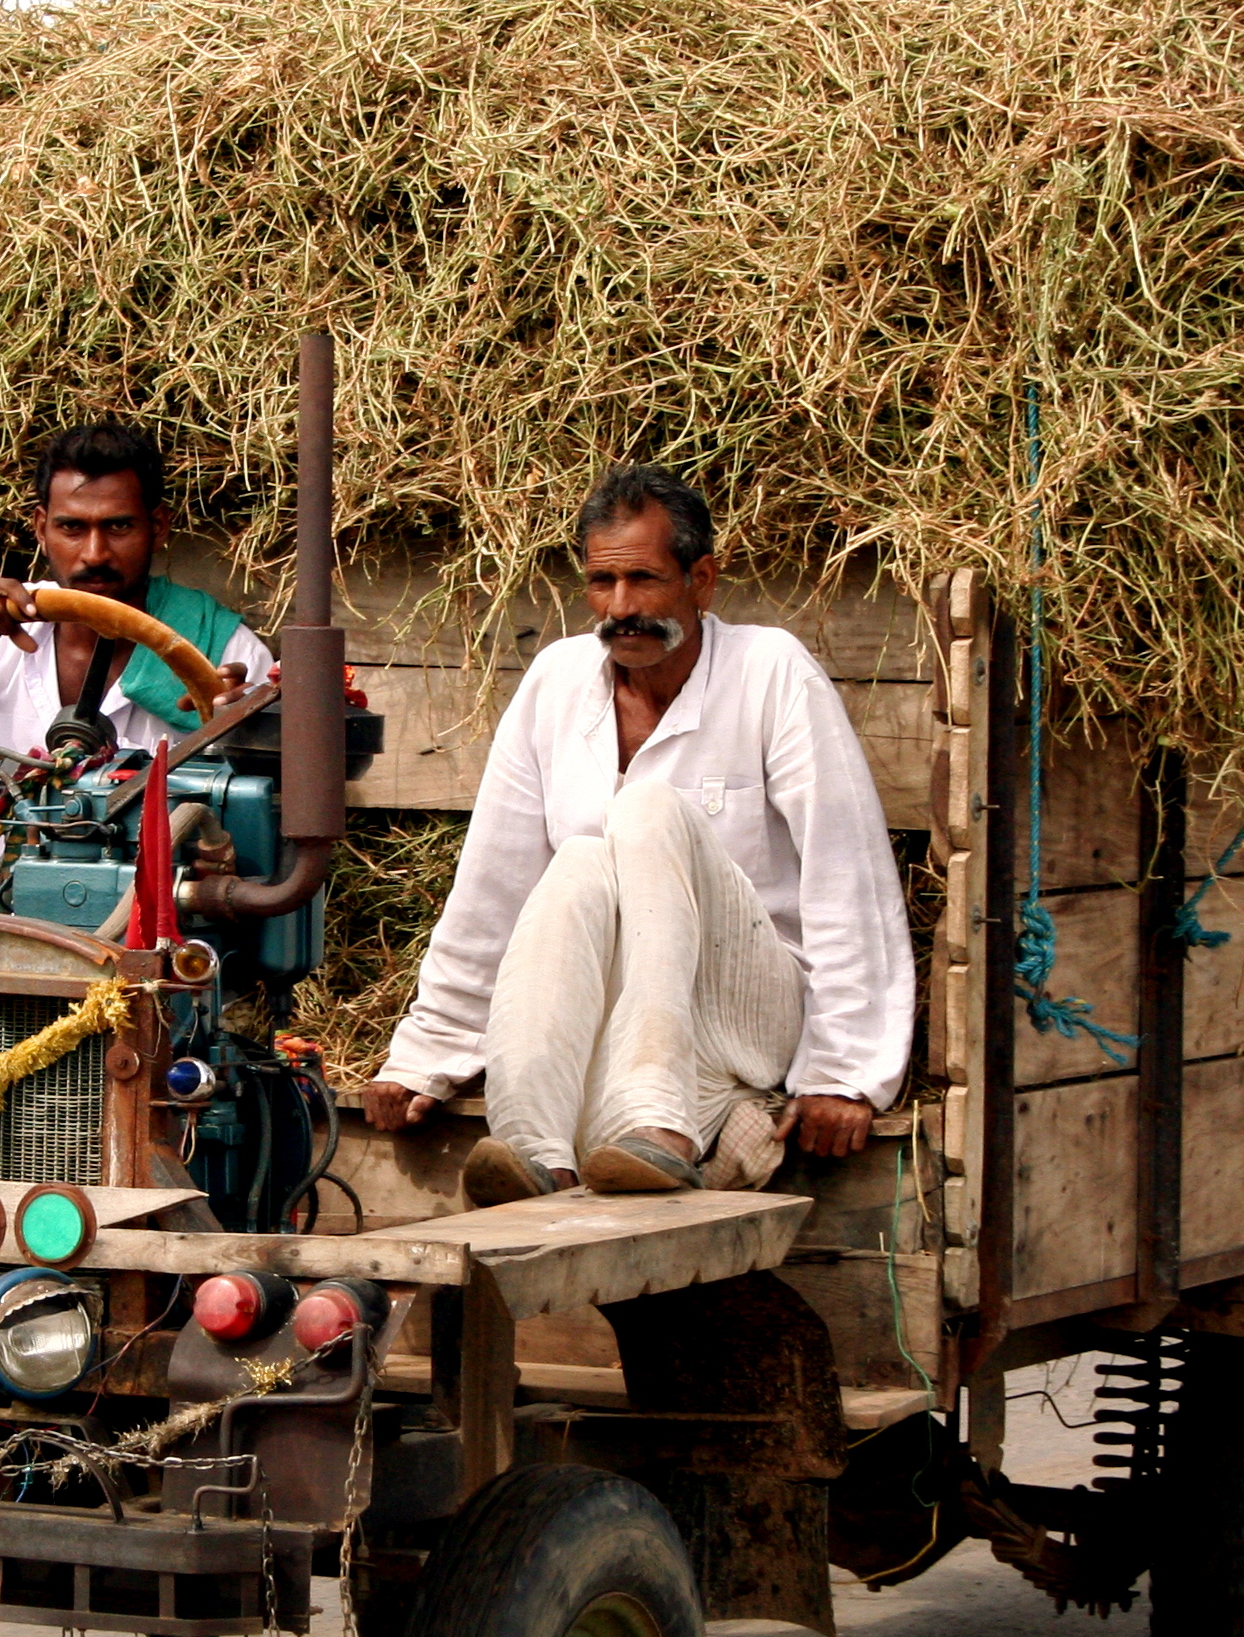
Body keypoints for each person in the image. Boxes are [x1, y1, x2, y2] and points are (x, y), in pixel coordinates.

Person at [361, 462, 915, 1204]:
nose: (621, 607)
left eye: (645, 581)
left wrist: (844, 1074)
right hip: (609, 1016)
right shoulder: (558, 680)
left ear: (702, 579)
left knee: (647, 811)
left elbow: (849, 879)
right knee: (582, 860)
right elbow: (495, 888)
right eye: (602, 583)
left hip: (746, 1006)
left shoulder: (771, 672)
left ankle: (664, 1127)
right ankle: (535, 1148)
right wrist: (424, 1055)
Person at [0, 419, 272, 912]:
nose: (95, 554)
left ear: (157, 527)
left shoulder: (220, 652)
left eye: (118, 526)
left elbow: (256, 829)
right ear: (41, 528)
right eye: (72, 527)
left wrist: (237, 734)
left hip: (143, 938)